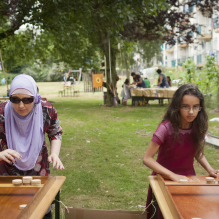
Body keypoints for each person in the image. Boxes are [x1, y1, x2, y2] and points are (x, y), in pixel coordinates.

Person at [143, 84, 218, 219]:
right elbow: (147, 158)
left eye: (195, 107)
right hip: (163, 180)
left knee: (186, 213)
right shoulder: (165, 128)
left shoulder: (197, 126)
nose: (191, 112)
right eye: (185, 107)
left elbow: (197, 152)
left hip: (189, 180)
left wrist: (210, 169)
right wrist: (172, 176)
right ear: (177, 106)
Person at [0, 75, 64, 219]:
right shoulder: (2, 112)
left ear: (35, 97)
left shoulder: (46, 110)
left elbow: (55, 132)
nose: (21, 105)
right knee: (9, 211)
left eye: (27, 99)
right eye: (15, 99)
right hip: (6, 173)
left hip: (38, 170)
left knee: (41, 210)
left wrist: (54, 153)